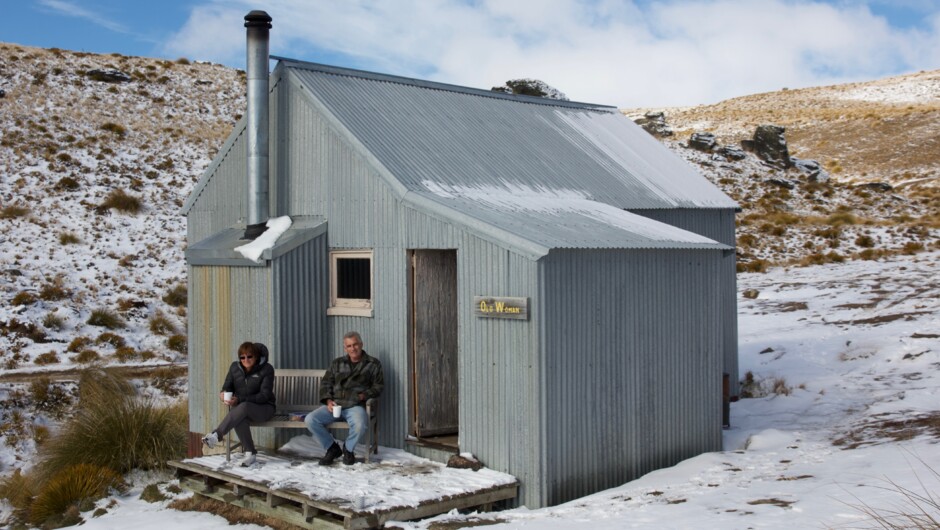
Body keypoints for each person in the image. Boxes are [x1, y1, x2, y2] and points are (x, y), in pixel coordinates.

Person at [305, 331, 384, 465]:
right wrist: (328, 401)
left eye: (355, 345)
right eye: (349, 346)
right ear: (345, 348)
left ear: (361, 344)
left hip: (355, 405)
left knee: (360, 425)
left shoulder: (373, 363)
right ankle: (332, 448)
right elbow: (326, 383)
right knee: (311, 419)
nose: (353, 349)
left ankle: (348, 449)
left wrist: (364, 395)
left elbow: (378, 386)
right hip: (336, 405)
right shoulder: (337, 363)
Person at [202, 342, 276, 467]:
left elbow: (264, 396)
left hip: (265, 408)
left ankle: (217, 435)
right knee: (239, 417)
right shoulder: (234, 367)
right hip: (242, 409)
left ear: (256, 357)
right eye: (242, 357)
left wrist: (239, 399)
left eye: (249, 356)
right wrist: (223, 393)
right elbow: (227, 386)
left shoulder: (267, 369)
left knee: (243, 407)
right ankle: (250, 453)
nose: (245, 360)